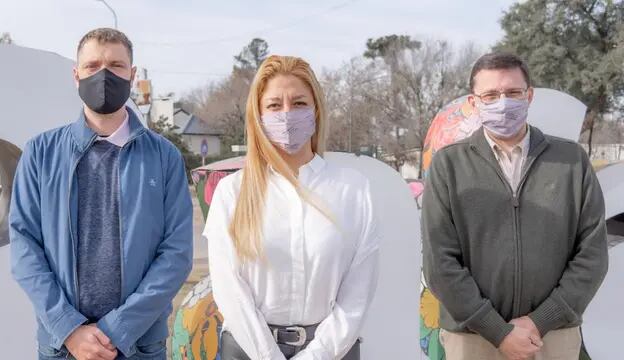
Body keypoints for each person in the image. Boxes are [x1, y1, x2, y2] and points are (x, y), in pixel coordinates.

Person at [10, 28, 193, 360]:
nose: (104, 75)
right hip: (62, 346)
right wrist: (69, 328)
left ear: (132, 75)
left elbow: (176, 254)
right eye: (92, 65)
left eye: (116, 65)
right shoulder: (40, 153)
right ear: (76, 74)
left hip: (139, 346)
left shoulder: (164, 157)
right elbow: (24, 248)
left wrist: (117, 330)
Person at [421, 52, 608, 360]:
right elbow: (440, 263)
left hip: (553, 336)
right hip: (473, 338)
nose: (502, 103)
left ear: (529, 95)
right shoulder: (449, 165)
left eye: (512, 93)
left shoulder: (572, 161)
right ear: (474, 101)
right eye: (491, 95)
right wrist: (497, 331)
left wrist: (541, 320)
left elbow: (593, 254)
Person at [205, 55, 380, 359]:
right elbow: (229, 290)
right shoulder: (231, 192)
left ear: (316, 111)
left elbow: (358, 293)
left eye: (299, 103)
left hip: (333, 352)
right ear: (258, 116)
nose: (287, 114)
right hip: (248, 350)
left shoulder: (353, 190)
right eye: (274, 105)